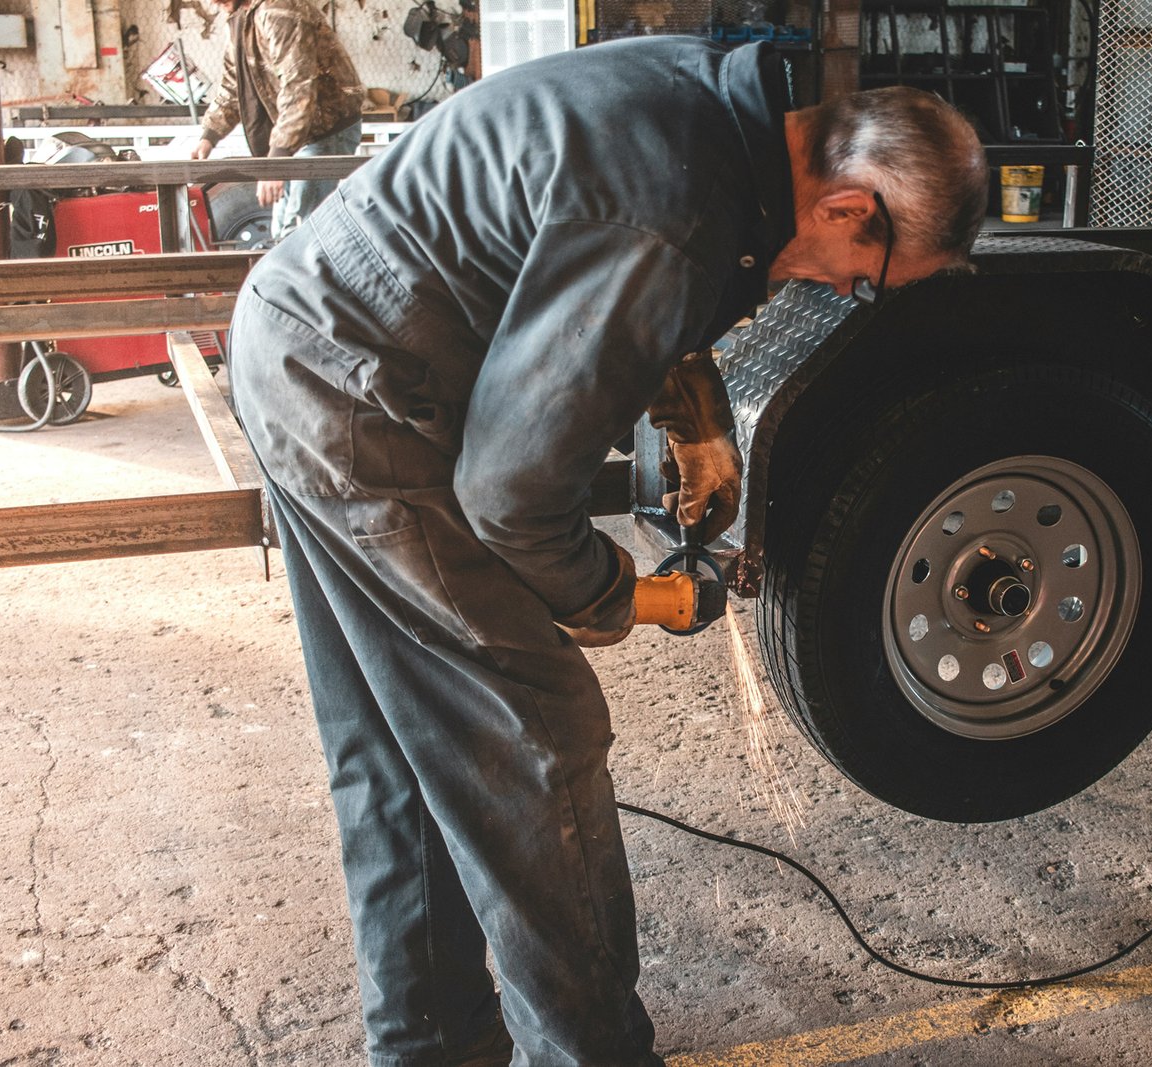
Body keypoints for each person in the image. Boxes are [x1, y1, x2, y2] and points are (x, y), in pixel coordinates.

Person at [226, 36, 986, 1067]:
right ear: (851, 207)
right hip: (362, 401)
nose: (849, 291)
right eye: (868, 279)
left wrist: (696, 411)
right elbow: (509, 498)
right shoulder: (677, 211)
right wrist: (612, 592)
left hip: (302, 341)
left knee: (406, 740)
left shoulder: (718, 112)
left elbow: (604, 243)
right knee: (534, 735)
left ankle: (428, 1045)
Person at [192, 0, 364, 238]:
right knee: (285, 232)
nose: (211, 1)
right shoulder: (241, 18)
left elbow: (298, 86)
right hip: (295, 134)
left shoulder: (280, 10)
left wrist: (275, 164)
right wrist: (209, 135)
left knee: (304, 232)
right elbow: (234, 85)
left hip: (323, 130)